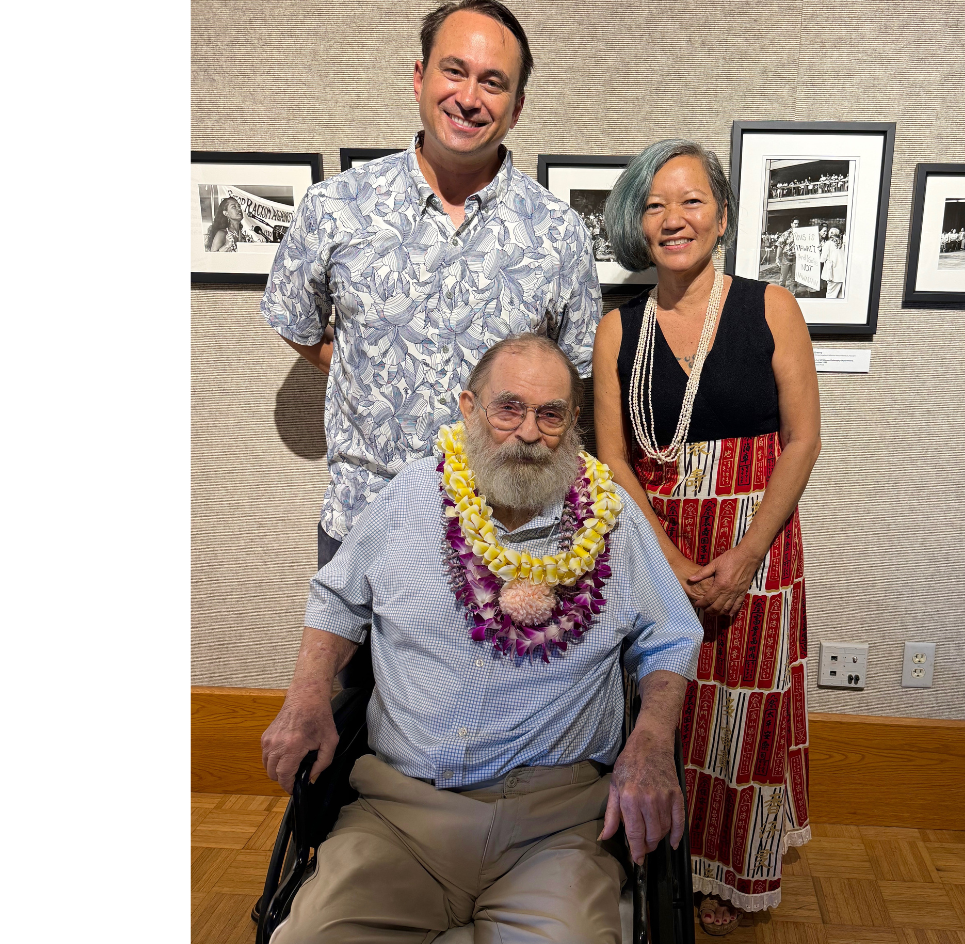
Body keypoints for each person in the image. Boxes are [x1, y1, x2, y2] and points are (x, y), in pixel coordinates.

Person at [261, 334, 705, 943]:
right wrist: (307, 696)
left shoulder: (612, 517)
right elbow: (338, 597)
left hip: (559, 825)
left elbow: (671, 633)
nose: (529, 433)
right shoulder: (412, 497)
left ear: (572, 422)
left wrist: (652, 739)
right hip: (401, 814)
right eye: (509, 408)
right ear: (469, 408)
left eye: (550, 415)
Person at [259, 0, 601, 592]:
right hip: (365, 525)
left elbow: (571, 375)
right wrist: (366, 371)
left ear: (517, 107)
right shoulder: (335, 207)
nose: (469, 98)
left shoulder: (559, 233)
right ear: (420, 77)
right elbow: (296, 320)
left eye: (492, 82)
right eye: (454, 71)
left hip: (506, 541)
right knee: (338, 659)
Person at [593, 140, 822, 936]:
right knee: (665, 707)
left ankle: (734, 870)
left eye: (690, 201)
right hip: (656, 544)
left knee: (743, 714)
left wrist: (744, 554)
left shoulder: (770, 307)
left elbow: (802, 440)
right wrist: (674, 562)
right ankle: (661, 860)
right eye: (654, 204)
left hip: (755, 546)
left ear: (721, 218)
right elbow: (613, 458)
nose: (672, 218)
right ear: (636, 222)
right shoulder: (618, 329)